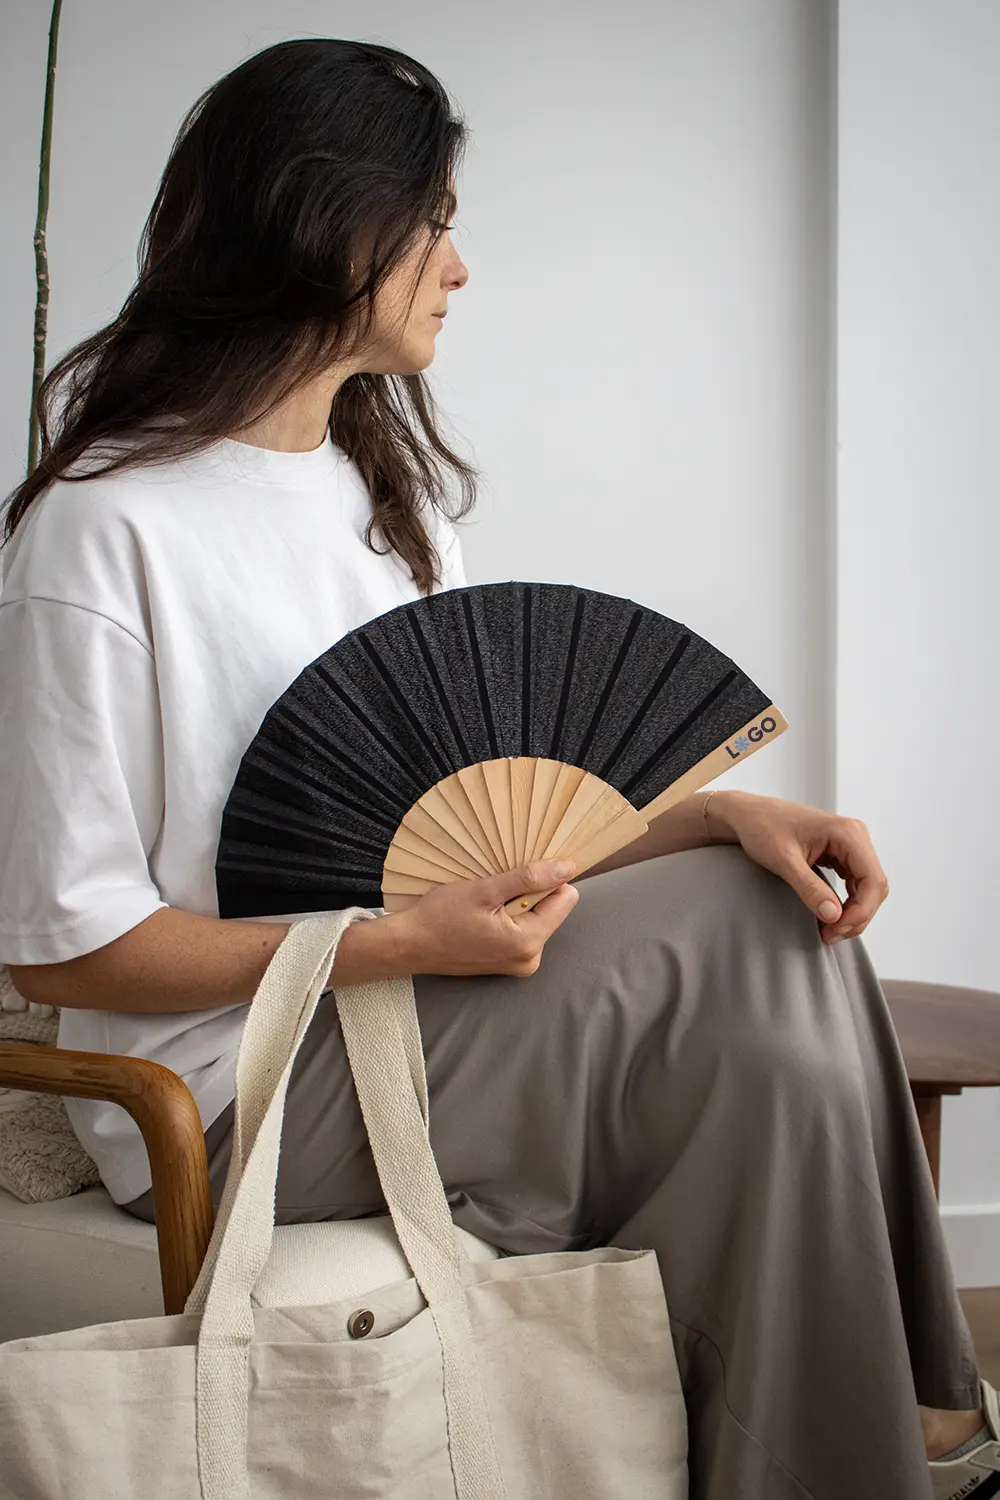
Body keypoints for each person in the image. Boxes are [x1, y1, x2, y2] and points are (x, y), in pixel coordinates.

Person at [0, 36, 995, 1500]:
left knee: (763, 937)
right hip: (229, 1088)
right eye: (437, 223)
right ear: (330, 220)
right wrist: (393, 944)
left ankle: (849, 1441)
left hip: (413, 1005)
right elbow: (67, 949)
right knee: (742, 949)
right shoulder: (104, 532)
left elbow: (491, 837)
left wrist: (721, 813)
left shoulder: (382, 508)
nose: (459, 270)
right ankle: (917, 1417)